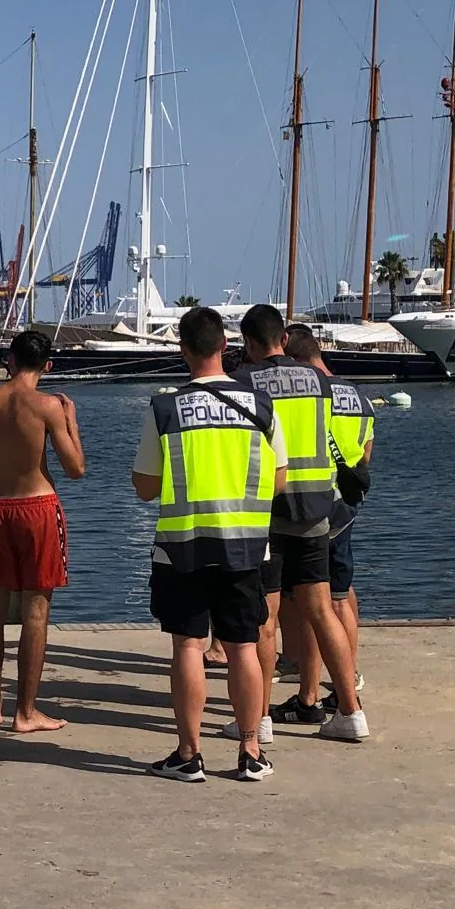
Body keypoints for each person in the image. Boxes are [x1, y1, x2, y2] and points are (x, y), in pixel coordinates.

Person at [132, 307, 285, 781]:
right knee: (243, 646)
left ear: (183, 350)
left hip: (183, 548)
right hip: (243, 545)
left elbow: (144, 486)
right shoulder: (259, 406)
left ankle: (189, 752)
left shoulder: (165, 409)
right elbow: (279, 481)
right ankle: (251, 751)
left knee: (189, 646)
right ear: (225, 347)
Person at [234, 305, 367, 742]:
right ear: (284, 340)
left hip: (269, 511)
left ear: (250, 343)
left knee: (265, 615)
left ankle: (260, 720)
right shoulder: (318, 381)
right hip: (317, 507)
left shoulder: (245, 382)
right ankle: (350, 712)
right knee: (321, 608)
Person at [0, 329, 83, 733]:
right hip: (38, 508)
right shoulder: (47, 406)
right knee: (36, 610)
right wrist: (71, 422)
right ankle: (26, 711)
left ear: (9, 360)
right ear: (47, 366)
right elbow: (75, 469)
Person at [283, 323, 373, 718]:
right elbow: (365, 455)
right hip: (349, 504)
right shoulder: (359, 396)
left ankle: (314, 692)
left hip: (315, 505)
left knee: (315, 603)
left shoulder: (308, 393)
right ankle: (347, 679)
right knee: (341, 592)